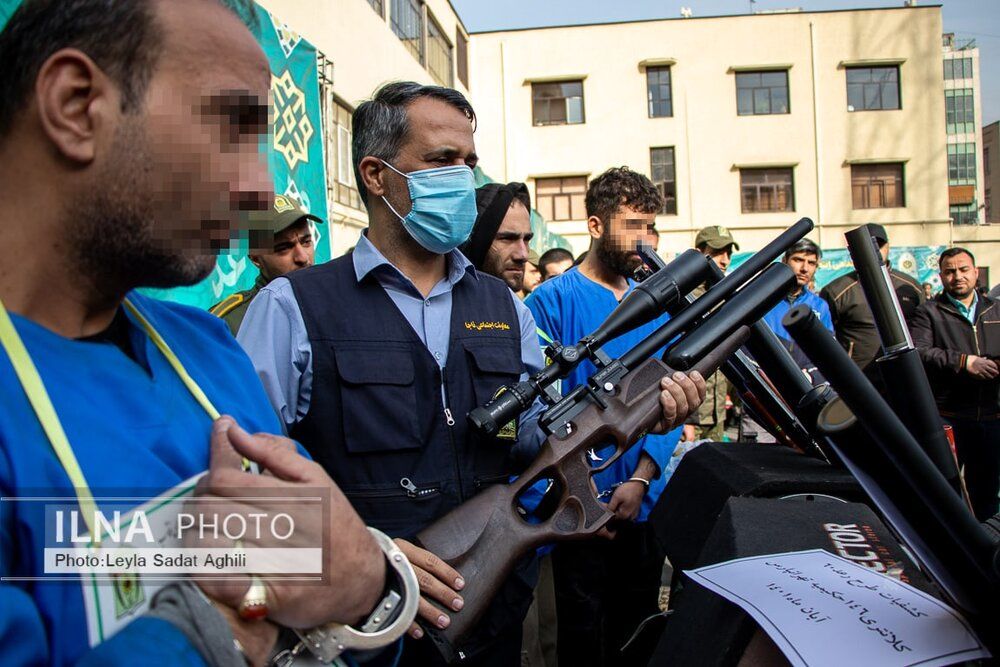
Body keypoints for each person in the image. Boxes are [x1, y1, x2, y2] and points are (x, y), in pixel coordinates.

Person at [237, 85, 706, 666]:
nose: (461, 178)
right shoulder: (292, 307)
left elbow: (538, 439)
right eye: (441, 161)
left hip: (490, 617)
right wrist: (359, 554)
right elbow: (242, 483)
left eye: (469, 162)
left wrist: (643, 415)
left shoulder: (505, 306)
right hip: (360, 628)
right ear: (376, 175)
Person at [0, 2, 392, 666]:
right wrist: (223, 631)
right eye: (232, 127)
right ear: (74, 105)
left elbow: (332, 589)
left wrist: (369, 588)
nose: (259, 188)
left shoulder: (208, 351)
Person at [526, 166, 696, 667]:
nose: (644, 240)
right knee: (580, 641)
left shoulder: (664, 308)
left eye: (650, 226)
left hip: (641, 505)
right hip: (576, 511)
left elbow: (671, 399)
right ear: (596, 226)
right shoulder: (550, 302)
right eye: (632, 225)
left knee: (637, 633)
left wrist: (642, 478)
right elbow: (540, 412)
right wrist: (581, 496)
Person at [910, 247, 1000, 521]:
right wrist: (964, 362)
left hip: (993, 415)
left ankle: (986, 554)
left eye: (963, 270)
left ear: (975, 272)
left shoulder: (996, 308)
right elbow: (920, 351)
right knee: (942, 491)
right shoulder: (929, 312)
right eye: (950, 271)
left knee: (986, 492)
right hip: (950, 416)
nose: (957, 276)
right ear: (941, 276)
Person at [209, 194, 322, 334]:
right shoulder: (229, 323)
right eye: (284, 248)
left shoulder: (335, 302)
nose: (303, 258)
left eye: (306, 242)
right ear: (256, 258)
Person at [820, 224, 924, 373]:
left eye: (879, 245)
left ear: (888, 246)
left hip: (905, 375)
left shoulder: (911, 287)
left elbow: (923, 332)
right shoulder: (836, 291)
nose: (874, 250)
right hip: (859, 378)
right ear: (853, 251)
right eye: (867, 245)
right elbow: (827, 339)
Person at [683, 225, 739, 442]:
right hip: (690, 416)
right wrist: (685, 419)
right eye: (717, 252)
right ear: (699, 253)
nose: (724, 260)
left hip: (717, 413)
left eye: (729, 253)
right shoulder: (684, 298)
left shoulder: (725, 296)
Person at [763, 238, 833, 385]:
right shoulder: (763, 302)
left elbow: (829, 354)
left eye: (811, 263)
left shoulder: (820, 306)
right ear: (785, 260)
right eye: (798, 260)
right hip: (767, 388)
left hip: (808, 388)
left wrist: (812, 376)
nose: (804, 268)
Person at [461, 181, 533, 293]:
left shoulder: (519, 309)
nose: (523, 255)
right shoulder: (444, 304)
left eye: (527, 239)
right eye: (507, 239)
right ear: (476, 242)